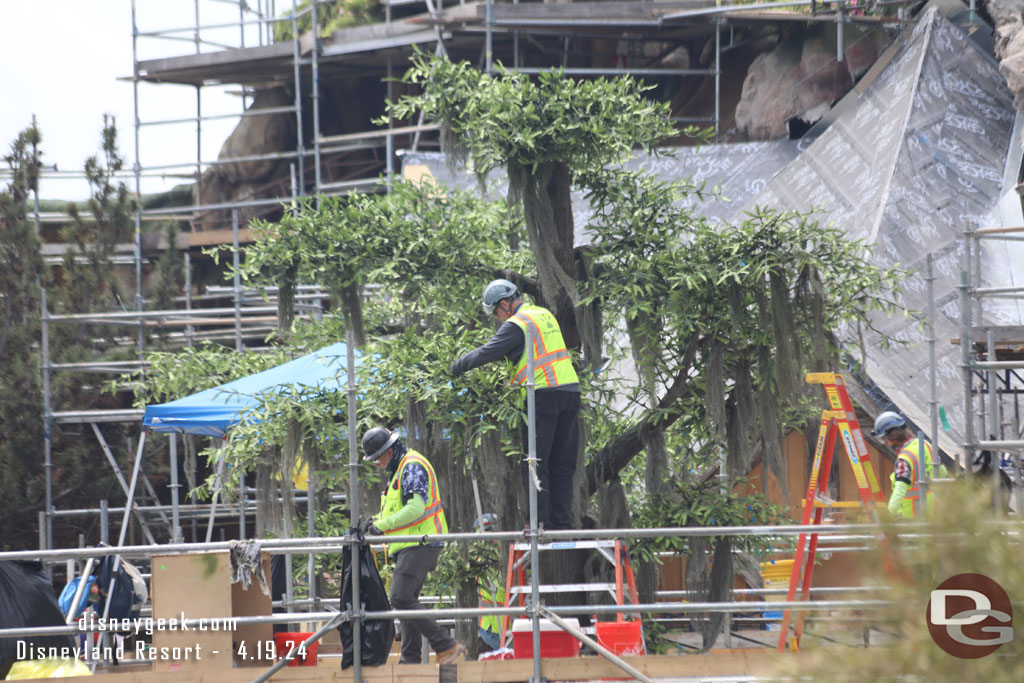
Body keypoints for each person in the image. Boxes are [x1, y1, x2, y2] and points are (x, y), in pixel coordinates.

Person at [450, 279, 581, 530]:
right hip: (570, 391)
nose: (497, 319)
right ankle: (562, 523)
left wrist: (456, 367)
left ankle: (539, 523)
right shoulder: (543, 314)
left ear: (504, 304)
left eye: (496, 313)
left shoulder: (516, 324)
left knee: (534, 462)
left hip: (543, 394)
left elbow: (486, 352)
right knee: (562, 463)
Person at [361, 427, 466, 665]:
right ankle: (410, 659)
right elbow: (401, 509)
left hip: (422, 542)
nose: (377, 464)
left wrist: (383, 526)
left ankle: (446, 645)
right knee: (406, 598)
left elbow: (416, 508)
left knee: (399, 597)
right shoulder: (401, 470)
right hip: (413, 543)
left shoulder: (411, 466)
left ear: (389, 451)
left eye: (378, 457)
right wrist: (377, 521)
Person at [871, 411, 947, 519]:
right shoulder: (926, 445)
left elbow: (900, 490)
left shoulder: (905, 458)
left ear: (893, 436)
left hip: (913, 516)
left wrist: (888, 516)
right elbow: (943, 473)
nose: (885, 444)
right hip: (935, 514)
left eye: (883, 439)